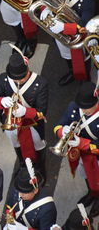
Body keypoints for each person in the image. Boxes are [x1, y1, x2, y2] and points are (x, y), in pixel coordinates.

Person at [0, 52, 48, 181]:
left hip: (32, 124)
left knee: (38, 146)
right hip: (11, 122)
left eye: (21, 77)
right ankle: (23, 164)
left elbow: (42, 112)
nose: (18, 81)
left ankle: (39, 168)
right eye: (15, 78)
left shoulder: (40, 83)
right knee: (16, 144)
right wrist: (1, 101)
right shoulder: (4, 79)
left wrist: (25, 112)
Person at [41, 0, 96, 86]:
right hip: (61, 36)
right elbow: (49, 3)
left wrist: (63, 27)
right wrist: (46, 10)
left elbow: (84, 25)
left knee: (83, 60)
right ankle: (72, 72)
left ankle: (85, 80)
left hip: (78, 37)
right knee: (66, 55)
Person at [54, 82, 99, 217]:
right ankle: (92, 193)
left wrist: (81, 142)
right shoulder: (74, 107)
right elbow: (58, 126)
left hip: (96, 155)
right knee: (85, 173)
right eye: (82, 107)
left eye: (88, 108)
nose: (84, 111)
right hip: (80, 153)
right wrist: (63, 131)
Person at [4, 161, 57, 230]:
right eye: (20, 191)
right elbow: (9, 207)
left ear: (35, 190)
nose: (20, 194)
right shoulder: (17, 188)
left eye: (25, 192)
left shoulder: (48, 209)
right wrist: (10, 220)